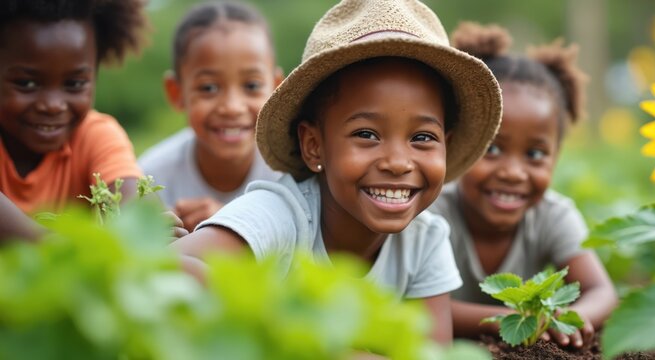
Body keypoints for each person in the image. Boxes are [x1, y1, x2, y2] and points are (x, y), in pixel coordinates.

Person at [171, 0, 503, 345]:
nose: (398, 162)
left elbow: (432, 352)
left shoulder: (426, 238)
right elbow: (171, 268)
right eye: (367, 135)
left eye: (422, 138)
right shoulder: (280, 214)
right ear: (314, 145)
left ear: (445, 145)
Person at [430, 22, 617, 348]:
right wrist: (511, 321)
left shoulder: (553, 215)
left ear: (556, 156)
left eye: (534, 154)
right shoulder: (433, 215)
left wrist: (574, 317)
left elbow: (601, 291)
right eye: (493, 149)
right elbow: (420, 308)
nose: (513, 172)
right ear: (460, 143)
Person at [139, 1, 283, 232]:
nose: (232, 107)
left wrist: (229, 224)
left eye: (252, 85)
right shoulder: (150, 177)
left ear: (276, 88)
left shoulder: (288, 175)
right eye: (208, 88)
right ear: (177, 93)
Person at [0, 0, 147, 214]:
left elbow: (133, 209)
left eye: (74, 84)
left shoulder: (95, 136)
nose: (52, 106)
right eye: (26, 83)